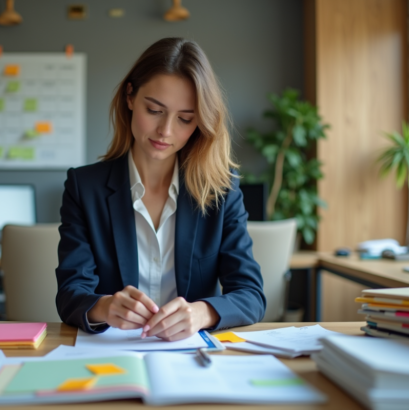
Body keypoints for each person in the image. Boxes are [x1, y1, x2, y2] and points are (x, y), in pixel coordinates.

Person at [56, 37, 265, 341]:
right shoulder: (83, 187)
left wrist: (202, 312)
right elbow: (70, 293)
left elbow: (251, 295)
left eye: (185, 119)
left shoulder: (222, 190)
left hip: (193, 354)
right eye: (154, 110)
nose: (166, 131)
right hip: (111, 354)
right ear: (130, 97)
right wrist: (104, 306)